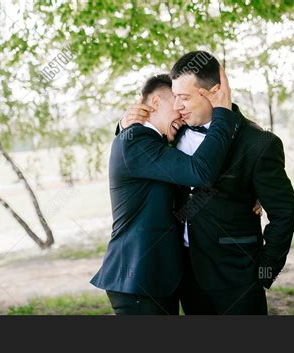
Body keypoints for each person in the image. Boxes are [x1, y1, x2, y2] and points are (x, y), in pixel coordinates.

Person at [122, 51, 294, 314]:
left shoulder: (259, 143)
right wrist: (125, 124)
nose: (177, 106)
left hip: (237, 277)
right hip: (186, 278)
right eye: (175, 97)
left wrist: (264, 270)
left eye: (184, 98)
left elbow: (285, 212)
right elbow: (140, 151)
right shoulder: (174, 132)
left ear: (214, 92)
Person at [90, 70, 241, 314]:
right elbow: (199, 171)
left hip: (157, 278)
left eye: (186, 101)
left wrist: (250, 191)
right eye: (176, 102)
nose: (182, 111)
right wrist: (223, 111)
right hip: (137, 279)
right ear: (156, 102)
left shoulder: (156, 141)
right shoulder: (137, 140)